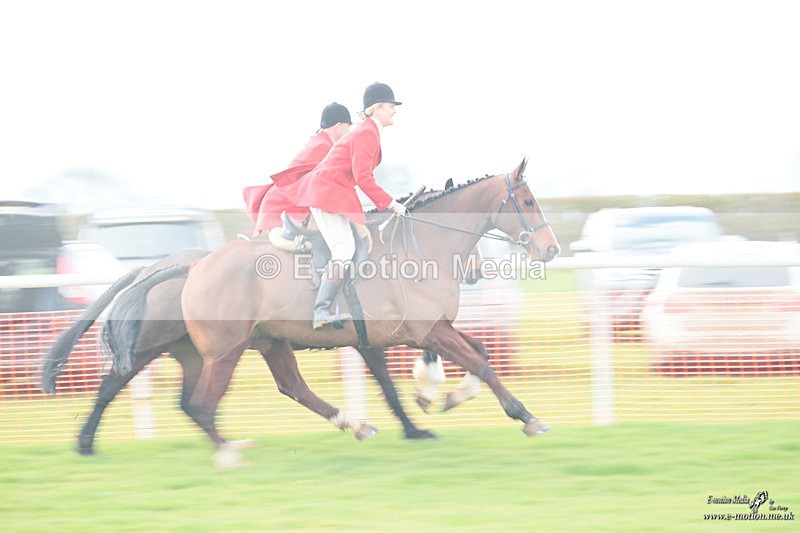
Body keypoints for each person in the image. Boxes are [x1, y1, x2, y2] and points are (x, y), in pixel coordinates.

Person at [289, 82, 407, 329]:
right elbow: (363, 178)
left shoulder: (368, 131)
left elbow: (359, 177)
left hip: (333, 192)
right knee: (343, 249)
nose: (394, 110)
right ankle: (321, 310)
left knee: (348, 247)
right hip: (326, 193)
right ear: (377, 109)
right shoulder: (367, 133)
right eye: (391, 106)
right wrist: (392, 204)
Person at [243, 102, 352, 237]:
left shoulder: (321, 142)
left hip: (283, 205)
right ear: (338, 126)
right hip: (284, 208)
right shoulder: (324, 147)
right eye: (348, 126)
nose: (349, 132)